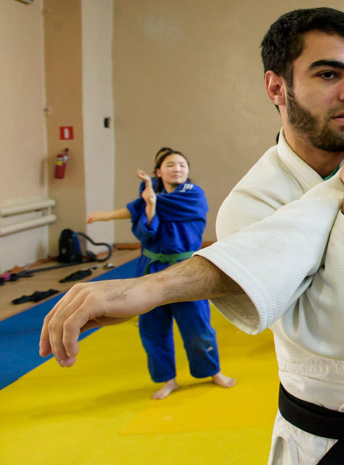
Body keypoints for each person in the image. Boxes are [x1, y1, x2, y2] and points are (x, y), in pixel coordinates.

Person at [42, 7, 344, 465]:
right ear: (276, 87)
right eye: (328, 74)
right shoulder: (249, 204)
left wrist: (158, 286)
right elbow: (341, 331)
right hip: (327, 447)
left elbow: (298, 245)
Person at [86, 148, 235, 400]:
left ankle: (213, 371)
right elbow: (145, 233)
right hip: (151, 268)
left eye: (182, 165)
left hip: (185, 270)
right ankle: (168, 379)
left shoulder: (193, 195)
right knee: (152, 327)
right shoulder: (149, 200)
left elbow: (138, 209)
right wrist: (150, 205)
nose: (177, 169)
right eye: (170, 165)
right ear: (158, 172)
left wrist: (134, 206)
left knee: (197, 326)